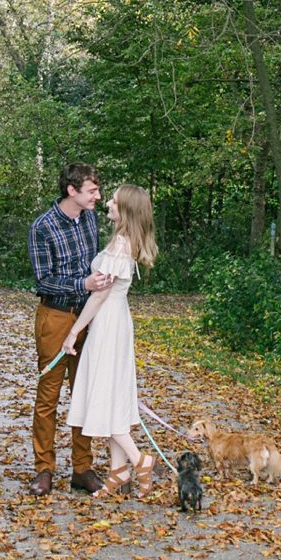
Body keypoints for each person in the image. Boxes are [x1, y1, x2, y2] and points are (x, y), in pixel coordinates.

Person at [61, 183, 160, 497]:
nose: (108, 204)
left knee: (103, 395)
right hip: (118, 322)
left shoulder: (120, 243)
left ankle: (139, 460)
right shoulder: (125, 240)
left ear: (126, 209)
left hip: (108, 324)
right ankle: (118, 472)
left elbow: (99, 296)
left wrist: (74, 330)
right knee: (112, 397)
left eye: (114, 201)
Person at [28, 163, 111, 496]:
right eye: (92, 190)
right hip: (55, 318)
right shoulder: (42, 227)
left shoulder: (90, 218)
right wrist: (83, 283)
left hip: (88, 318)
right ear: (72, 191)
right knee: (48, 396)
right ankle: (44, 470)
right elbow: (42, 279)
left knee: (85, 394)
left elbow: (95, 261)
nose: (98, 196)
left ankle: (82, 469)